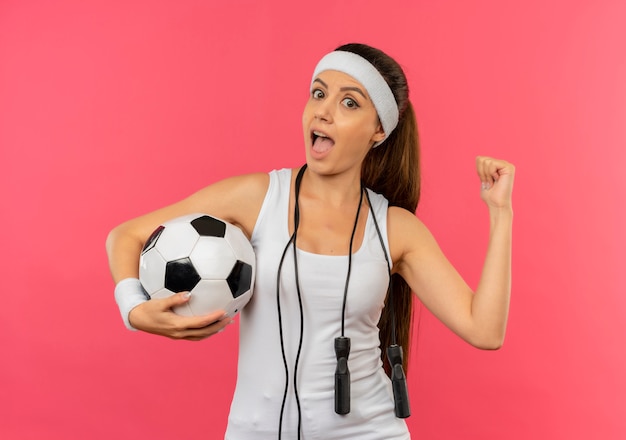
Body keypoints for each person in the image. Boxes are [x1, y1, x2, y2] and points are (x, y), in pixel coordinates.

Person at [106, 43, 515, 440]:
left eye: (349, 102)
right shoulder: (257, 198)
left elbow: (485, 330)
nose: (323, 110)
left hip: (370, 431)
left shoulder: (395, 227)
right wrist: (134, 310)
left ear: (378, 130)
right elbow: (126, 236)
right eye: (319, 93)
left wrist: (500, 213)